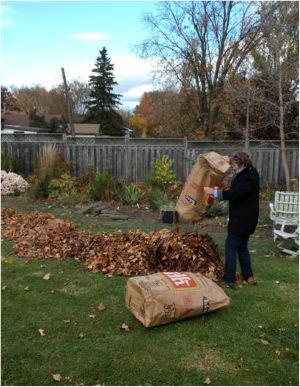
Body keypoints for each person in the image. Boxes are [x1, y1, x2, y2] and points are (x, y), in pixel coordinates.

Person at [204, 151, 260, 288]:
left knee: (231, 246)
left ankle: (229, 279)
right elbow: (237, 191)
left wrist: (214, 193)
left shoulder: (247, 177)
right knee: (242, 247)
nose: (232, 167)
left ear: (242, 163)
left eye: (234, 164)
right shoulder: (249, 172)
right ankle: (249, 276)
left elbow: (235, 193)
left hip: (243, 219)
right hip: (247, 218)